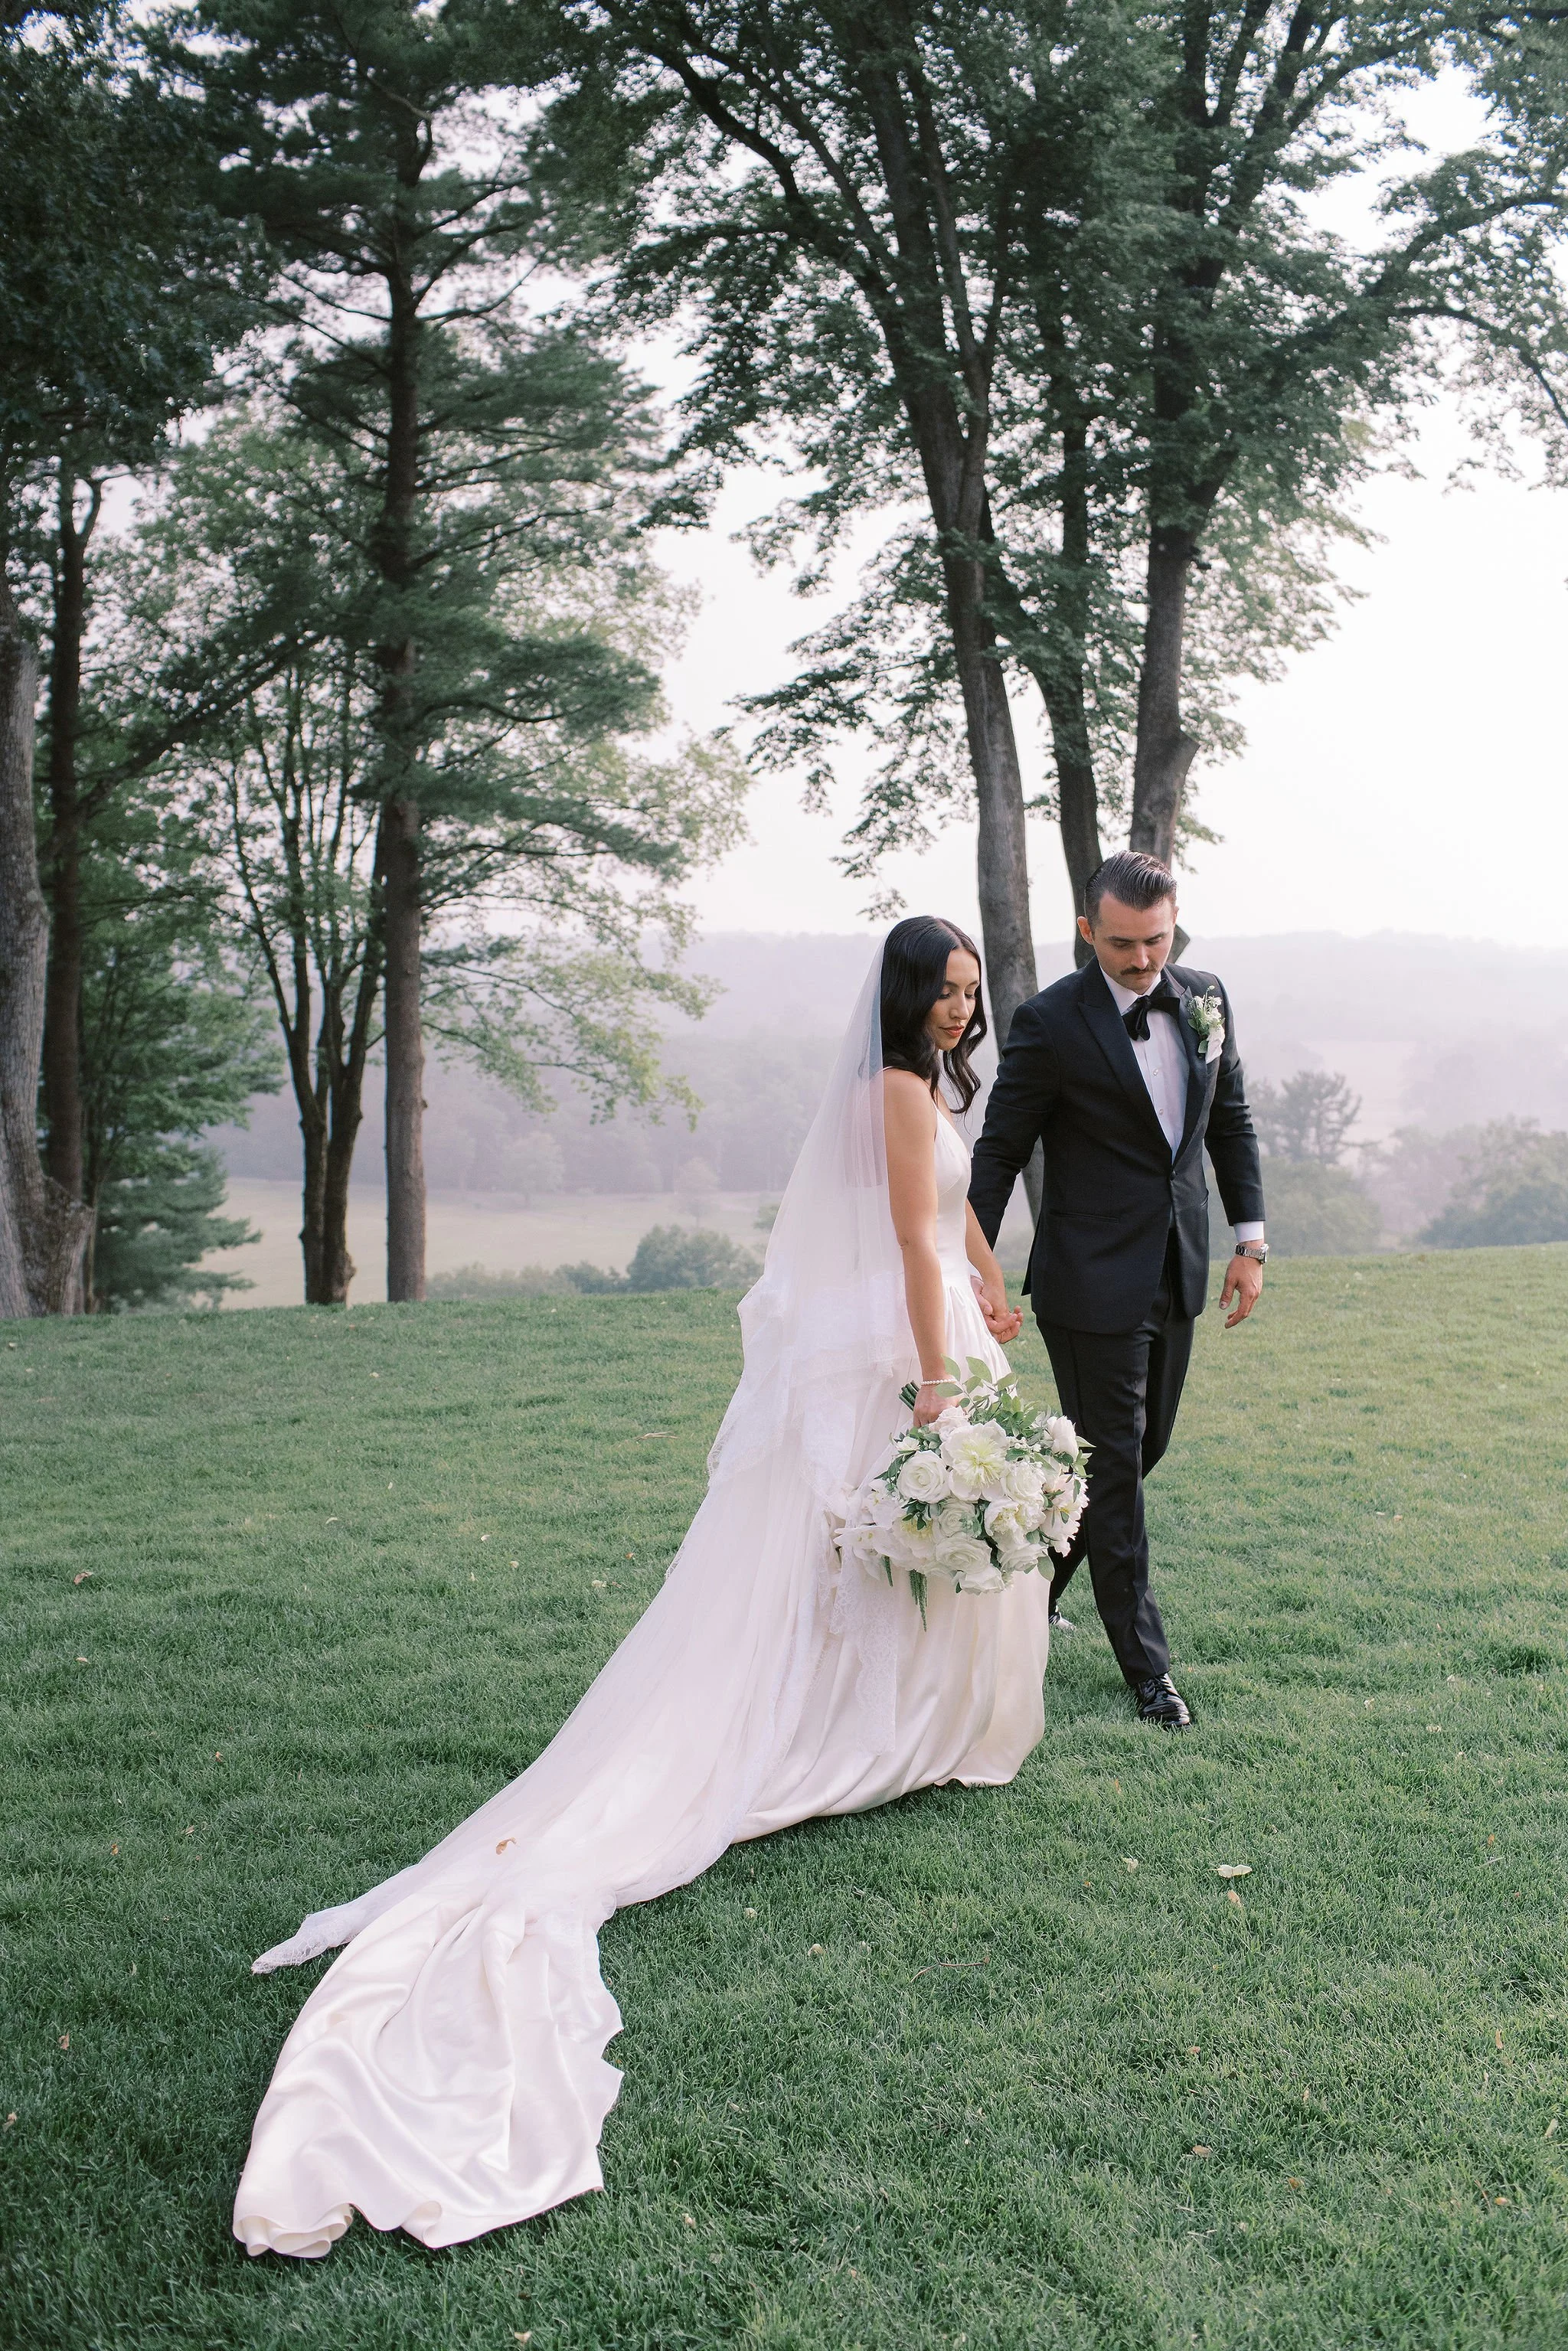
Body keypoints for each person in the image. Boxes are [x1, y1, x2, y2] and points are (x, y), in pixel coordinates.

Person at [232, 917, 1053, 2259]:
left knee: (869, 1559)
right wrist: (937, 1377)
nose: (961, 1011)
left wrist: (984, 1275)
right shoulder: (895, 1089)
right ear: (904, 999)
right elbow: (908, 1236)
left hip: (922, 1320)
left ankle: (884, 1718)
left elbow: (945, 1211)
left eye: (972, 993)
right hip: (891, 1352)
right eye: (945, 992)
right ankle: (850, 1727)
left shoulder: (922, 1090)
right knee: (852, 1553)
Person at [969, 851, 1266, 1729]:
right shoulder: (1048, 1021)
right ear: (1085, 929)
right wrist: (971, 1267)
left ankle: (1022, 1594)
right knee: (1120, 1469)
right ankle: (1148, 1672)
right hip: (1086, 1280)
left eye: (1157, 940)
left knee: (1134, 1454)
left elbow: (1231, 1121)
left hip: (1176, 1264)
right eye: (1124, 944)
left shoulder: (1205, 997)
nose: (1143, 960)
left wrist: (1249, 1242)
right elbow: (998, 1149)